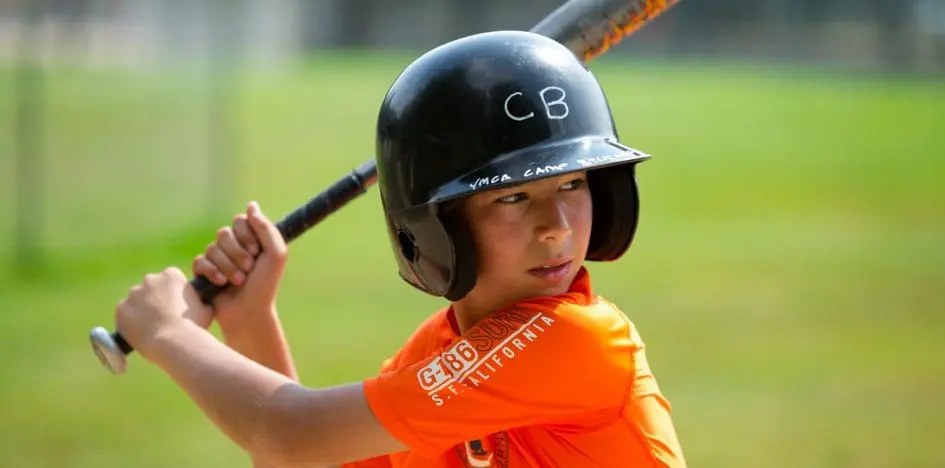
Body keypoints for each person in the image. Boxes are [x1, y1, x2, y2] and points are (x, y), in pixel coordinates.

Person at [112, 30, 687, 467]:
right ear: (437, 225)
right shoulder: (439, 352)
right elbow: (313, 453)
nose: (557, 227)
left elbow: (292, 435)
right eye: (512, 199)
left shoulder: (581, 342)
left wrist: (168, 333)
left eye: (573, 184)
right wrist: (250, 321)